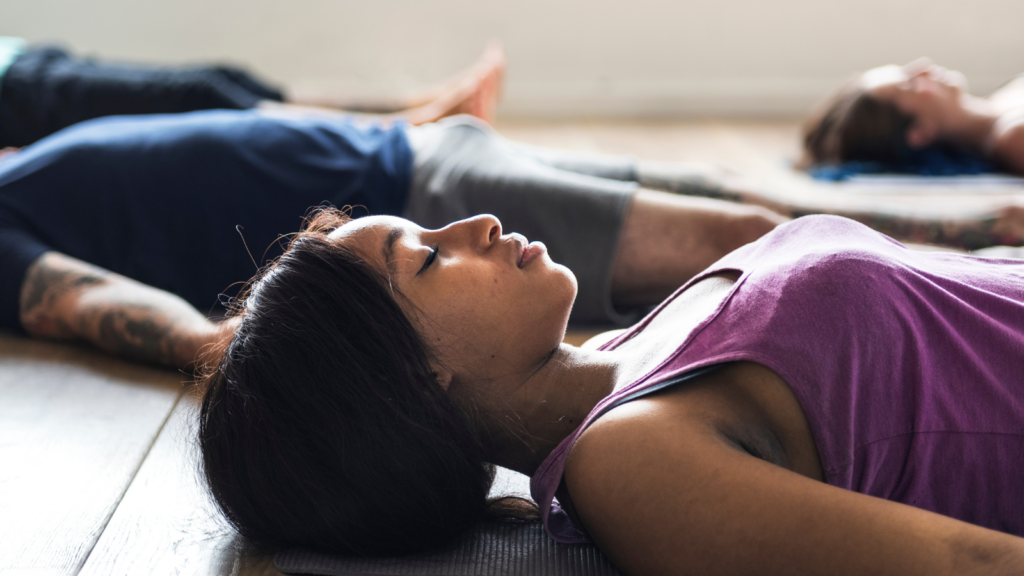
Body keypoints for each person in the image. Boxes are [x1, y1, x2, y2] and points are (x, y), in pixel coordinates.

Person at [196, 208, 1024, 574]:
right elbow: (965, 565)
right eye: (430, 258)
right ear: (410, 380)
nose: (476, 226)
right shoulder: (629, 463)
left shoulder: (618, 351)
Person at [2, 107, 783, 368]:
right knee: (745, 237)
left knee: (721, 194)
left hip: (418, 155)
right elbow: (81, 303)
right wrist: (268, 352)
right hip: (421, 211)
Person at [0, 37, 506, 149]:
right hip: (17, 94)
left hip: (20, 62)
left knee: (229, 80)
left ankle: (412, 106)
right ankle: (406, 128)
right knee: (201, 97)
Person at [801, 57, 1024, 175]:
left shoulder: (1001, 99)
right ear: (919, 132)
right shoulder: (1013, 138)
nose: (923, 67)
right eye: (910, 84)